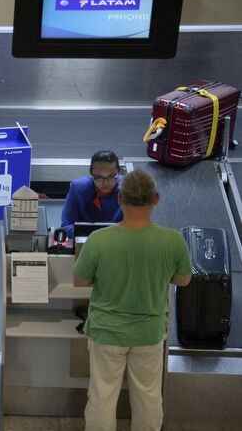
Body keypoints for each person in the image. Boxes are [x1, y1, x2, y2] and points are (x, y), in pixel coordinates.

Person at [73, 170, 192, 431]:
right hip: (149, 333)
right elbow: (183, 280)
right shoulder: (173, 241)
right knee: (148, 397)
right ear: (156, 199)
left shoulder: (99, 240)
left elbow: (80, 281)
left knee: (102, 396)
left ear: (119, 199)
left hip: (106, 331)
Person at [61, 150, 124, 235]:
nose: (105, 183)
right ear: (91, 174)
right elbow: (66, 225)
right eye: (99, 177)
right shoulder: (78, 188)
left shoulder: (128, 189)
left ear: (118, 172)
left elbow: (137, 226)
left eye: (111, 176)